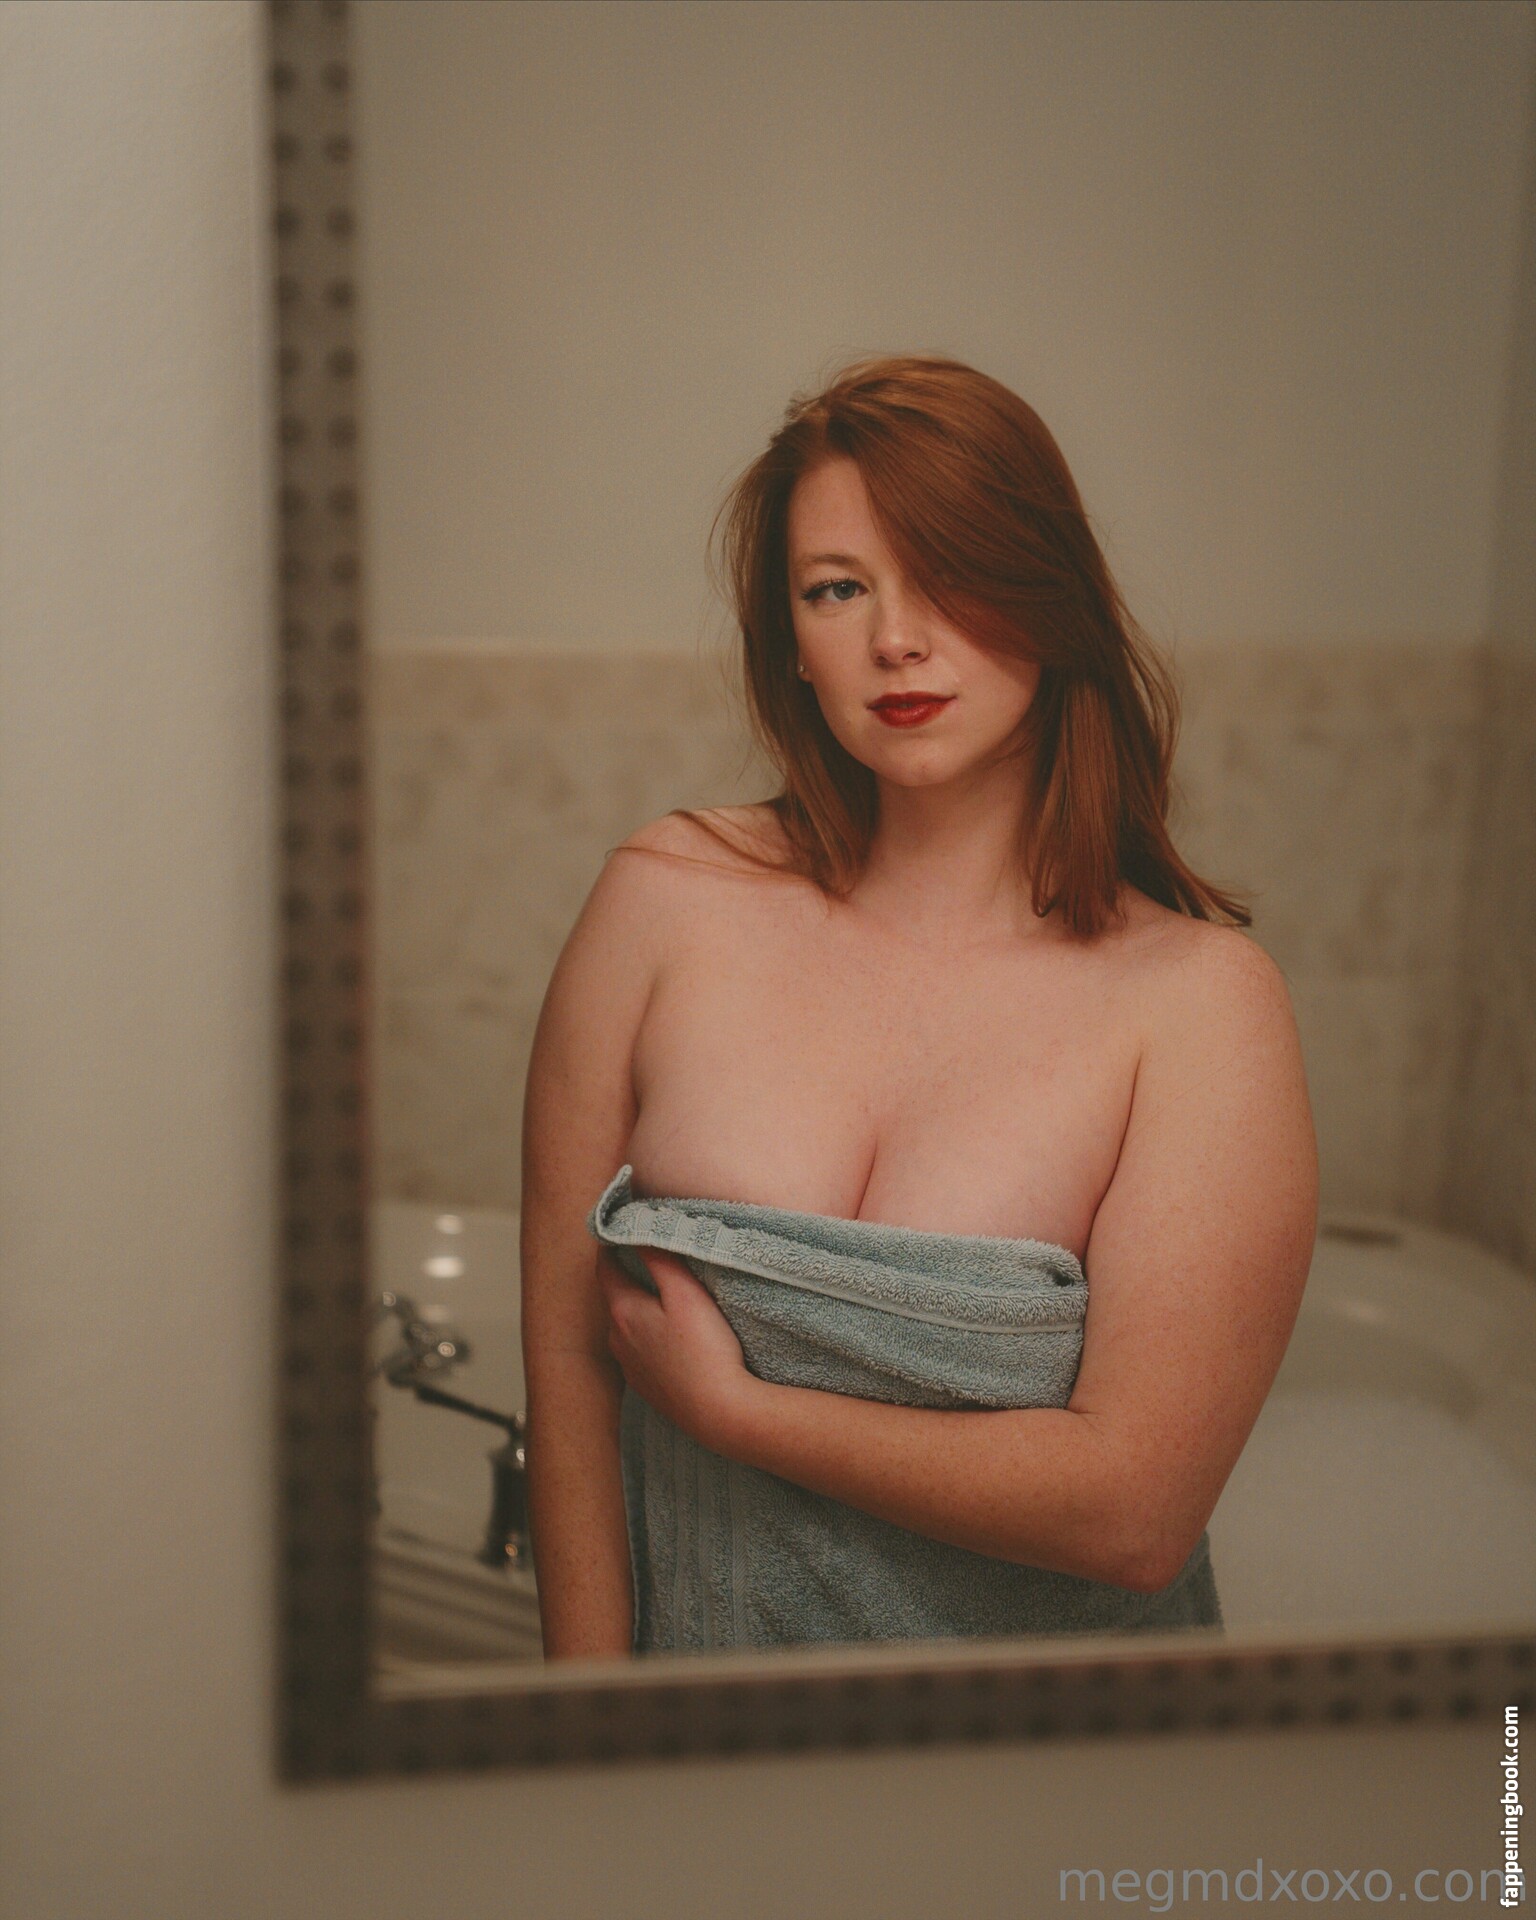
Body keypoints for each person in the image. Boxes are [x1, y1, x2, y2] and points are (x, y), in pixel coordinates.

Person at [520, 353, 1318, 1661]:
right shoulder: (663, 899)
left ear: (1051, 595)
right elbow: (568, 1367)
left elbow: (1135, 1517)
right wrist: (592, 1734)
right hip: (704, 1748)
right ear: (792, 643)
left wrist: (739, 1417)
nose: (895, 637)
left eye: (947, 571)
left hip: (1043, 1755)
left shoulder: (1201, 1005)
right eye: (837, 589)